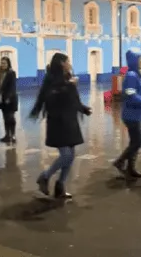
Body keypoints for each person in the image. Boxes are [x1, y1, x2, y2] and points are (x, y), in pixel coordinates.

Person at [31, 53, 92, 198]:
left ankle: (60, 186)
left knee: (71, 155)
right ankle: (45, 176)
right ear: (61, 63)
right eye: (67, 61)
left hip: (70, 121)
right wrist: (68, 86)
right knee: (65, 155)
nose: (70, 63)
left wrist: (83, 108)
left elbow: (72, 99)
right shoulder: (52, 80)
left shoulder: (68, 78)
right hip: (58, 123)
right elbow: (52, 99)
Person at [113, 50, 141, 179]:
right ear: (134, 60)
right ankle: (120, 161)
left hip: (137, 113)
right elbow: (131, 94)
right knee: (139, 141)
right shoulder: (131, 75)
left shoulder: (139, 75)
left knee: (134, 142)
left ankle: (131, 168)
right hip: (131, 114)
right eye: (140, 59)